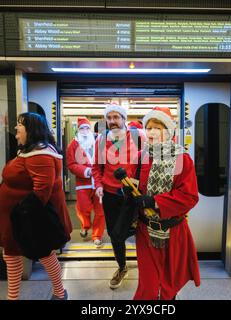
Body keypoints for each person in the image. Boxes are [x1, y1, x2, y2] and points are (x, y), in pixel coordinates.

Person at [0, 112, 72, 300]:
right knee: (12, 254)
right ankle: (13, 297)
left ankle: (59, 293)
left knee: (43, 253)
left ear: (31, 130)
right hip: (17, 216)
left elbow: (42, 191)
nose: (15, 134)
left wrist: (20, 214)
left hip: (25, 217)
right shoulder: (31, 150)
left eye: (18, 129)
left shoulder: (41, 155)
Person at [131, 106, 200, 300]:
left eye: (157, 127)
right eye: (149, 127)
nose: (151, 132)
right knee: (149, 285)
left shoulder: (182, 159)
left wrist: (154, 201)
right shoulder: (141, 157)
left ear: (168, 132)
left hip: (174, 232)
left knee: (170, 285)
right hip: (145, 232)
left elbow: (189, 197)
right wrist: (128, 191)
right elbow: (133, 182)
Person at [92, 103, 144, 289]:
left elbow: (146, 164)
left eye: (116, 117)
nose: (113, 121)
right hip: (110, 194)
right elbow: (96, 168)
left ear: (124, 119)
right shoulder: (101, 140)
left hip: (134, 194)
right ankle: (122, 267)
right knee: (115, 234)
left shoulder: (138, 137)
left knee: (140, 232)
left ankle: (148, 266)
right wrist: (98, 185)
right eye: (109, 118)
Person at [66, 117, 105, 248]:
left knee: (100, 211)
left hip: (99, 182)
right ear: (78, 130)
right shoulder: (73, 145)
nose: (84, 130)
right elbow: (71, 164)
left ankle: (97, 235)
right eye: (82, 128)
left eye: (87, 128)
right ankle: (85, 225)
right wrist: (86, 171)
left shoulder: (98, 142)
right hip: (83, 183)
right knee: (83, 208)